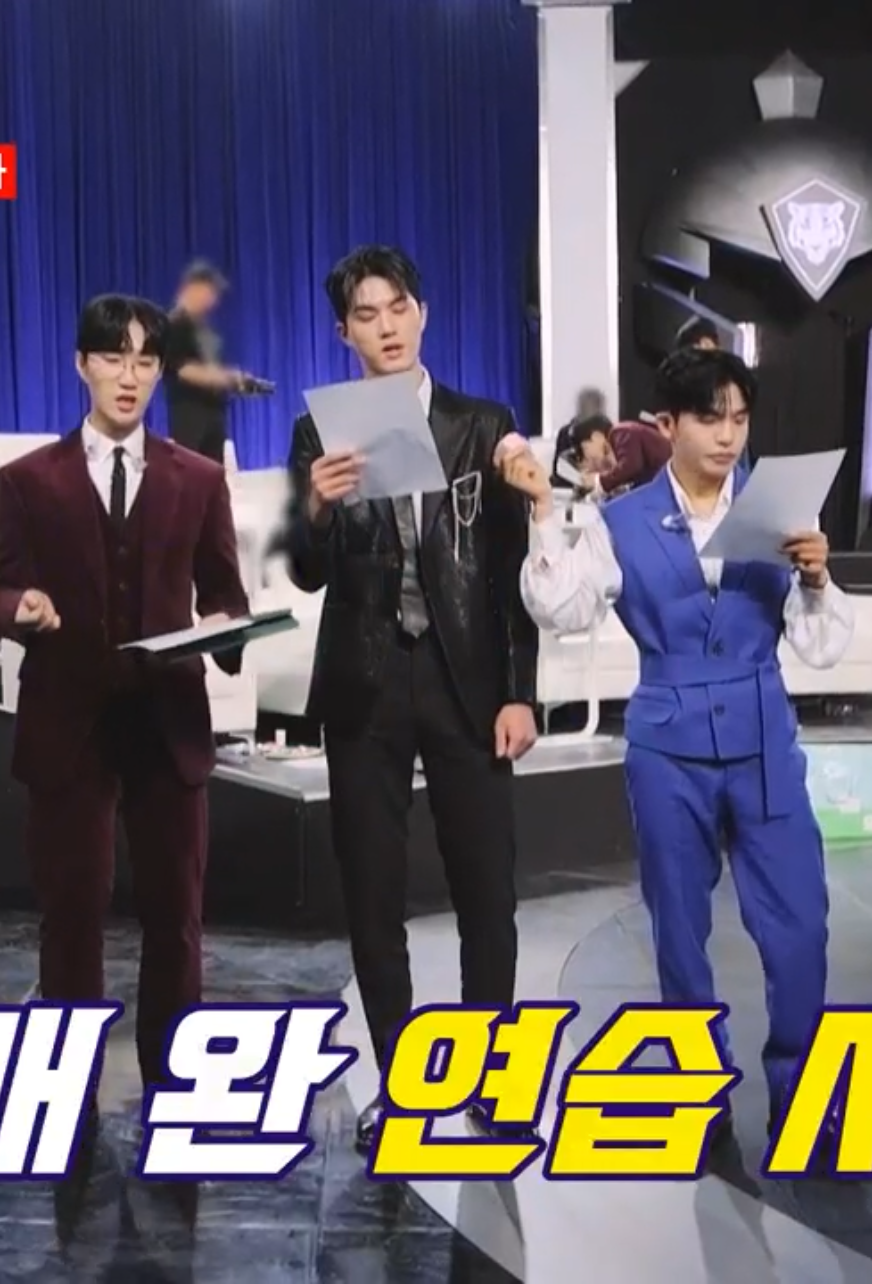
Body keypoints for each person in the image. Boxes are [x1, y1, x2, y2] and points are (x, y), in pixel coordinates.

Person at [507, 346, 853, 1162]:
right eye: (709, 418)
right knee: (679, 933)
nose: (728, 436)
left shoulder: (778, 510)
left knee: (800, 926)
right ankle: (701, 1093)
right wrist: (542, 513)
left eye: (740, 419)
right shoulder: (620, 521)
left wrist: (816, 579)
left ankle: (805, 1097)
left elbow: (821, 646)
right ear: (667, 425)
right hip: (668, 748)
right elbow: (560, 608)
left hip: (764, 741)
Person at [283, 245, 540, 1149]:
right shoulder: (320, 431)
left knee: (487, 891)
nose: (386, 327)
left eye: (398, 308)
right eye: (367, 315)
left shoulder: (482, 424)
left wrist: (521, 693)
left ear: (422, 314)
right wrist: (316, 508)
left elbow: (512, 573)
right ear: (343, 331)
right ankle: (401, 1084)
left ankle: (492, 1080)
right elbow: (307, 571)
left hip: (466, 680)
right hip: (366, 678)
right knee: (372, 892)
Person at [0, 294, 251, 1088]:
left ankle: (173, 1080)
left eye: (144, 361)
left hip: (168, 720)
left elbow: (225, 595)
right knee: (71, 914)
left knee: (176, 918)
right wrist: (22, 608)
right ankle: (69, 1083)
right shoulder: (27, 480)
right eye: (112, 358)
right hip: (69, 722)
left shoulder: (199, 479)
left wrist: (225, 628)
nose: (128, 377)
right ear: (82, 365)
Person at [161, 261, 263, 467]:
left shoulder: (207, 330)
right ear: (193, 288)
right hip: (191, 420)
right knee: (192, 472)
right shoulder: (174, 325)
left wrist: (236, 382)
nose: (214, 300)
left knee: (213, 474)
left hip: (214, 419)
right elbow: (182, 369)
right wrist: (226, 378)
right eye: (210, 292)